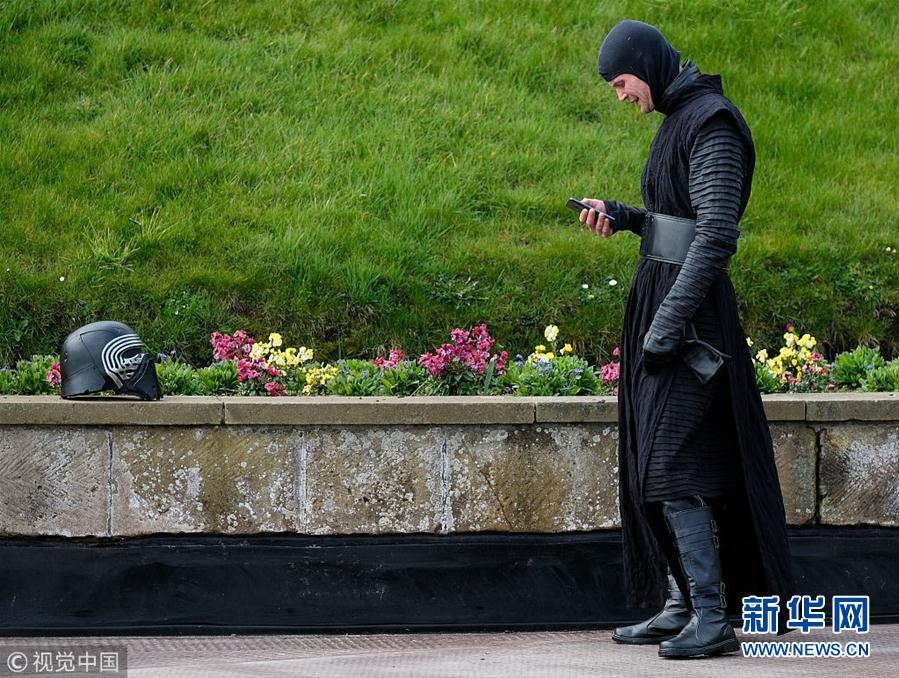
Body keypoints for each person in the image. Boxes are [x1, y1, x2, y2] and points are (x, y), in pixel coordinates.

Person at [578, 19, 796, 658]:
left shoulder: (713, 124)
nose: (621, 95)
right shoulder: (678, 120)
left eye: (621, 82)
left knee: (671, 462)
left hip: (691, 316)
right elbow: (676, 219)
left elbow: (717, 234)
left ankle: (712, 615)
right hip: (665, 303)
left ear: (647, 63)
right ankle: (680, 604)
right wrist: (625, 218)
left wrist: (669, 322)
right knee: (653, 456)